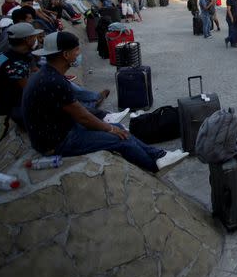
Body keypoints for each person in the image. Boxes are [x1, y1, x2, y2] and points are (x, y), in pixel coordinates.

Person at [23, 32, 188, 172]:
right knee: (119, 138)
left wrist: (110, 127)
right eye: (76, 50)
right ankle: (154, 166)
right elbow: (83, 118)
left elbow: (78, 112)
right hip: (58, 142)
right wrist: (109, 128)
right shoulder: (54, 81)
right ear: (65, 54)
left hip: (61, 131)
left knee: (119, 128)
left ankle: (160, 155)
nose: (79, 53)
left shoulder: (47, 73)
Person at [0, 23, 43, 128]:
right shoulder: (15, 64)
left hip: (9, 102)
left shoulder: (8, 53)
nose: (36, 38)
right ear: (27, 39)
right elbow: (29, 90)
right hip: (16, 108)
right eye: (34, 36)